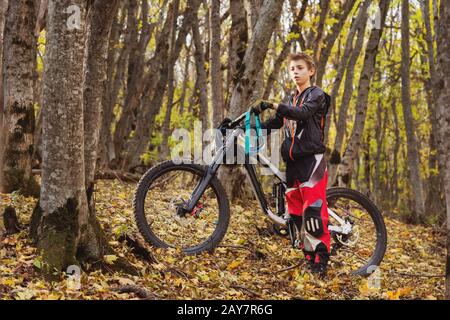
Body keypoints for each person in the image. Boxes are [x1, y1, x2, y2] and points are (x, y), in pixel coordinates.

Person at [251, 52, 331, 276]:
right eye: (292, 69)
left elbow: (303, 114)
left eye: (300, 68)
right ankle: (309, 258)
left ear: (311, 71)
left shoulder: (317, 95)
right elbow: (274, 123)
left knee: (313, 214)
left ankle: (321, 262)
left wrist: (273, 104)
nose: (295, 72)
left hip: (312, 162)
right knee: (296, 216)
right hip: (293, 164)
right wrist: (248, 126)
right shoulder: (290, 99)